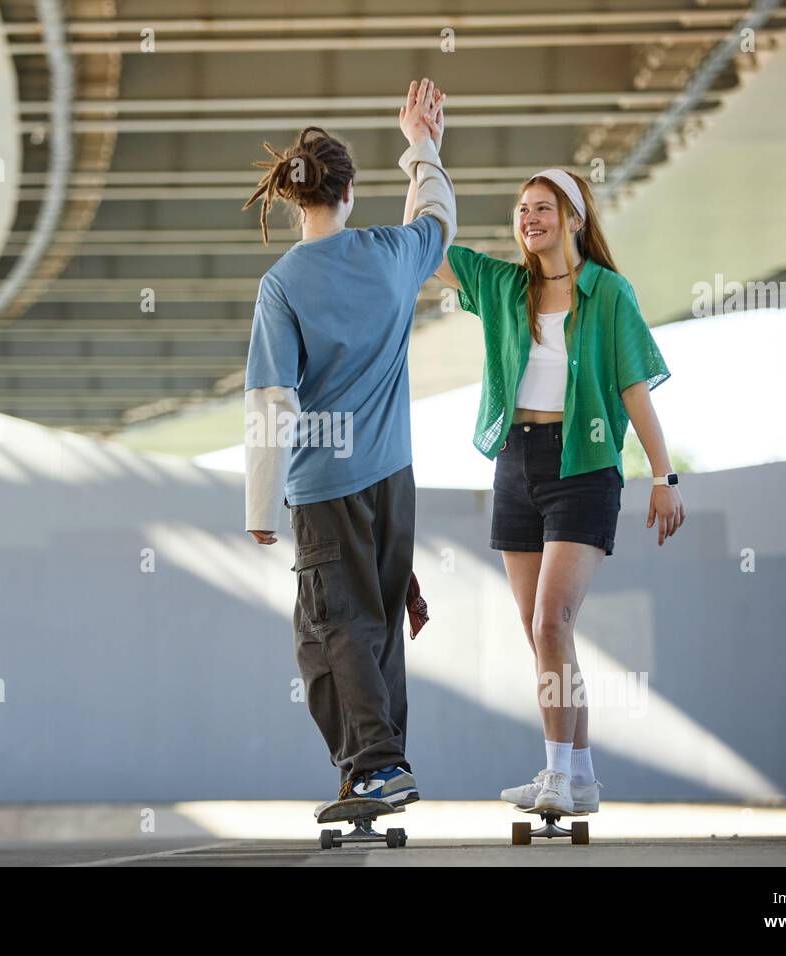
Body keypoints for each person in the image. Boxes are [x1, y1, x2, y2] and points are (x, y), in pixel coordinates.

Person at [431, 160, 685, 815]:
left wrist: (663, 476)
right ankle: (581, 777)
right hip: (515, 464)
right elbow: (424, 244)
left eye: (543, 207)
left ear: (573, 218)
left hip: (585, 464)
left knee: (552, 621)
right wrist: (423, 153)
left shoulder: (608, 293)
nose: (529, 219)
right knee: (541, 630)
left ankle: (558, 777)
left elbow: (633, 387)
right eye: (522, 209)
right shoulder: (501, 285)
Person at [242, 80, 454, 805]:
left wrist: (261, 505)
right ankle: (375, 767)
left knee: (332, 628)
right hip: (395, 475)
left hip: (326, 482)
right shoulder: (393, 256)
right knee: (378, 624)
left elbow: (274, 398)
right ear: (350, 190)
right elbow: (436, 217)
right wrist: (421, 144)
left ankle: (377, 764)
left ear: (295, 197)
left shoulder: (283, 283)